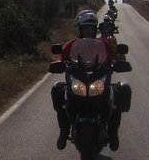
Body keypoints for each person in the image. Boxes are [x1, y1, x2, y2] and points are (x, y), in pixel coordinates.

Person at [51, 10, 121, 151]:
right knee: (57, 89)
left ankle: (113, 133)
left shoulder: (103, 44)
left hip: (98, 81)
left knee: (120, 91)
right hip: (78, 81)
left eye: (91, 29)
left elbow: (115, 59)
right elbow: (61, 59)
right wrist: (59, 64)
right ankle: (64, 131)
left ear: (95, 30)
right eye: (86, 29)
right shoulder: (71, 44)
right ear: (79, 29)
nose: (89, 31)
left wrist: (117, 56)